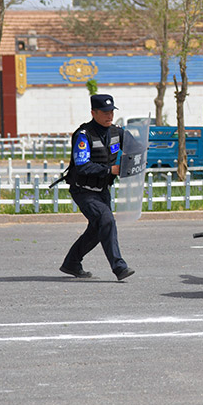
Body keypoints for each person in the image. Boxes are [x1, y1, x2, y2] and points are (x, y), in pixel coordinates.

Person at [59, 94, 135, 281]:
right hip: (83, 190)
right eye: (105, 112)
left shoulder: (118, 132)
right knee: (106, 220)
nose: (109, 116)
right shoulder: (84, 135)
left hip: (102, 190)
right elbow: (82, 165)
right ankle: (119, 267)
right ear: (93, 112)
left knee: (98, 228)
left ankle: (71, 263)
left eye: (111, 112)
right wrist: (111, 169)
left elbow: (136, 148)